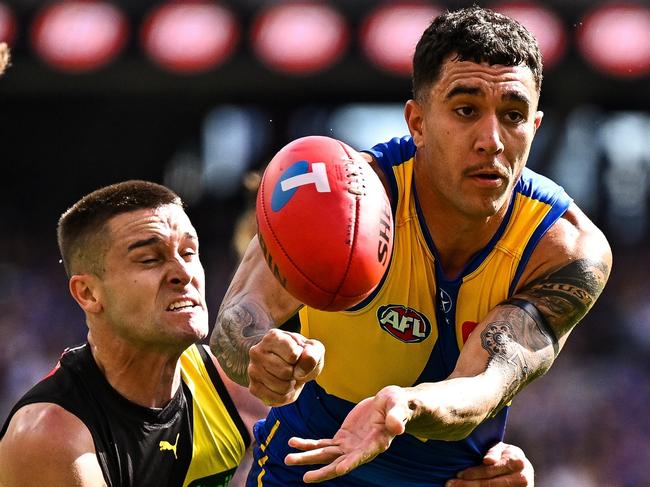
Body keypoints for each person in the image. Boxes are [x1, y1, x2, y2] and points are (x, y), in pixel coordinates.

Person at [210, 6, 611, 487]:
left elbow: (485, 385)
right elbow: (235, 325)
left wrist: (405, 405)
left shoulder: (564, 249)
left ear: (535, 126)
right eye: (466, 110)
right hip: (302, 474)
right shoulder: (341, 198)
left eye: (513, 115)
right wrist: (262, 357)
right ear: (416, 122)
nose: (492, 140)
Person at [0, 180, 269, 486]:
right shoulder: (50, 437)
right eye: (150, 259)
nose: (183, 273)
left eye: (189, 252)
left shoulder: (238, 388)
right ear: (88, 293)